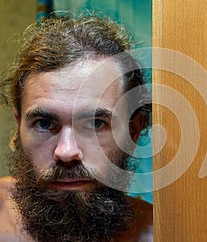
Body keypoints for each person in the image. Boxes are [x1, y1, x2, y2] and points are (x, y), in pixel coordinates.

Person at [0, 15, 152, 242]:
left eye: (95, 124)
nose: (66, 152)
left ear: (134, 130)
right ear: (19, 125)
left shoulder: (159, 231)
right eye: (44, 124)